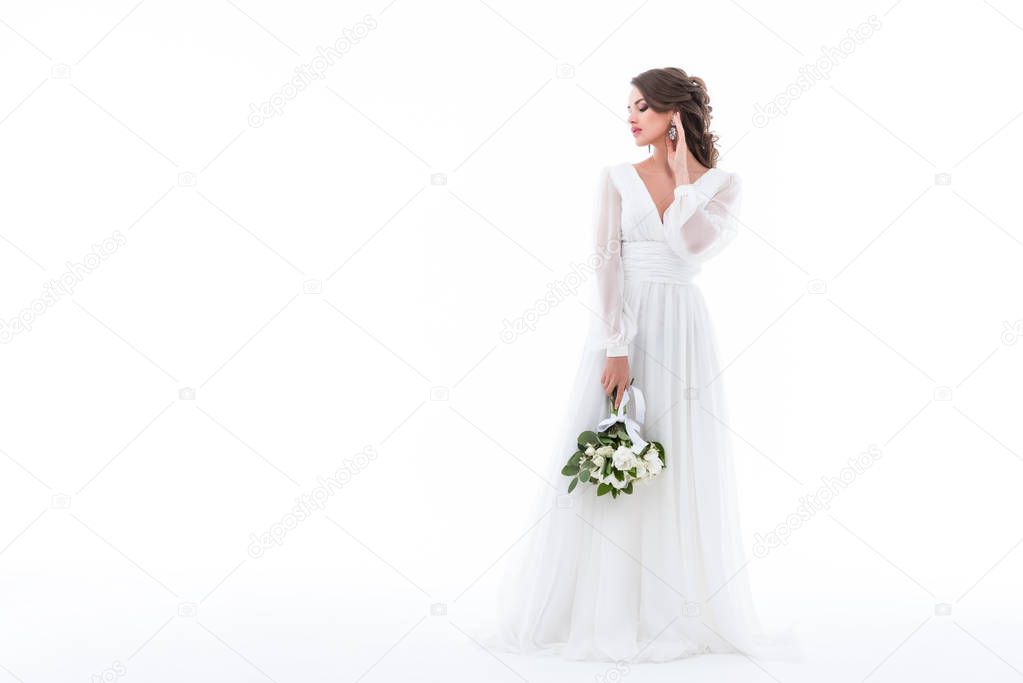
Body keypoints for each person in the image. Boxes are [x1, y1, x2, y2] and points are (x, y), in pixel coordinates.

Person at [480, 67, 799, 663]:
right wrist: (616, 342)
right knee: (610, 443)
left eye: (643, 107)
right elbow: (605, 261)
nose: (631, 117)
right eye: (628, 107)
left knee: (679, 452)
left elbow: (689, 246)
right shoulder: (616, 178)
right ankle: (596, 607)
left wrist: (682, 177)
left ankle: (672, 606)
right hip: (626, 327)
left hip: (684, 329)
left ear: (675, 116)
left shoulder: (723, 185)